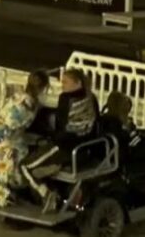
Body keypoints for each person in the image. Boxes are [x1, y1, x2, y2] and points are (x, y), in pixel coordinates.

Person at [21, 68, 99, 212]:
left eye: (65, 82)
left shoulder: (65, 99)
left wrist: (48, 137)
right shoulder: (91, 98)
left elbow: (61, 128)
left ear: (77, 83)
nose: (62, 85)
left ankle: (47, 195)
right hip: (83, 150)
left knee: (24, 167)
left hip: (65, 148)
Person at [0, 71, 50, 208]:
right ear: (43, 88)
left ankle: (14, 189)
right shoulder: (24, 103)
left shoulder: (26, 100)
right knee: (8, 159)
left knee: (24, 154)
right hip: (0, 135)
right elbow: (11, 123)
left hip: (10, 135)